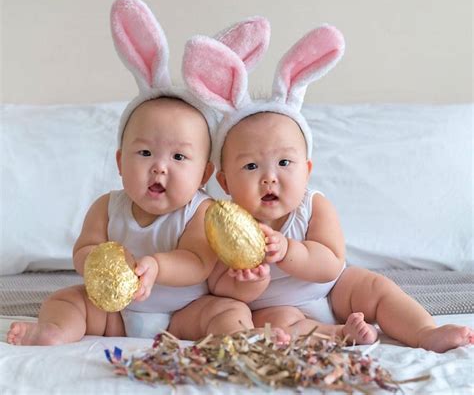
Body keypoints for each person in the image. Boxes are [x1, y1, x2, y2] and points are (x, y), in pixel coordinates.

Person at [182, 24, 474, 352]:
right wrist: (244, 282)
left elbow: (331, 262)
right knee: (273, 325)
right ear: (225, 182)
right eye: (251, 166)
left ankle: (423, 332)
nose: (269, 178)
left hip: (333, 289)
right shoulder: (223, 223)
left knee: (375, 286)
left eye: (284, 163)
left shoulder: (313, 206)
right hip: (274, 305)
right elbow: (218, 286)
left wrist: (290, 251)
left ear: (307, 170)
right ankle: (336, 335)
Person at [6, 0, 256, 346]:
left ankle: (236, 340)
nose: (159, 166)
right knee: (66, 299)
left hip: (185, 313)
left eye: (179, 158)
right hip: (115, 315)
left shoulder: (201, 212)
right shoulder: (107, 207)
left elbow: (198, 262)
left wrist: (156, 266)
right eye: (145, 152)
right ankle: (51, 332)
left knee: (229, 311)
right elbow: (83, 251)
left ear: (205, 175)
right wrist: (99, 258)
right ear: (121, 162)